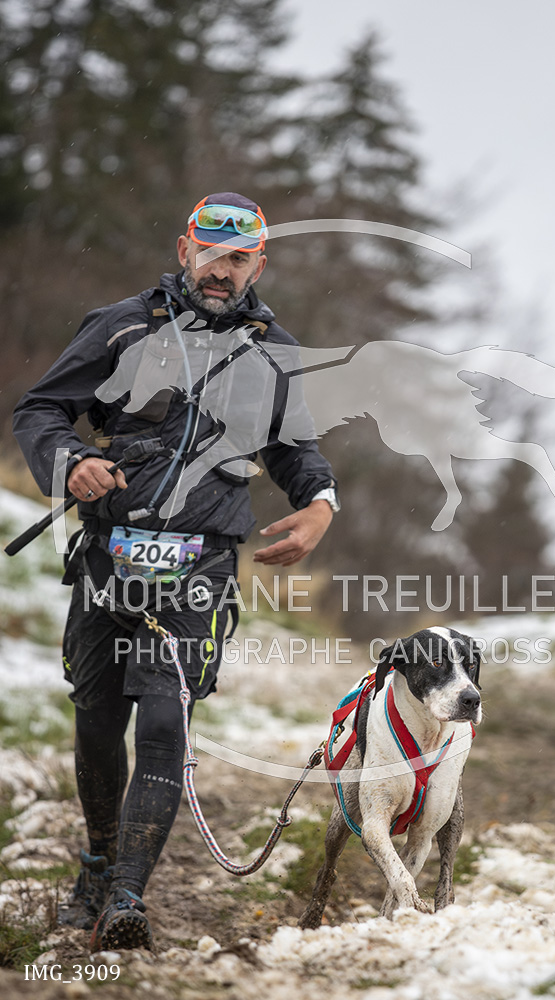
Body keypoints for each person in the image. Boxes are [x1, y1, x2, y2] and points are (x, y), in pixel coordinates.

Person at [12, 192, 339, 951]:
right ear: (186, 249)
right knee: (98, 720)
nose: (222, 271)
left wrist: (319, 503)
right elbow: (40, 411)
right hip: (109, 554)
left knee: (165, 717)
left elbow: (292, 447)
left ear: (259, 265)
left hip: (202, 562)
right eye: (211, 254)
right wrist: (72, 460)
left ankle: (128, 894)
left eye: (238, 259)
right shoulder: (121, 326)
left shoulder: (274, 351)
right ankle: (99, 861)